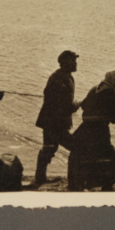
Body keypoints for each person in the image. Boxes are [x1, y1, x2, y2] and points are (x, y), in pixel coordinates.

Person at [67, 70, 115, 192]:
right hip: (99, 132)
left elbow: (83, 105)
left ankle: (76, 184)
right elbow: (114, 119)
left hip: (84, 129)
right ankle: (106, 184)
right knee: (114, 159)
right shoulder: (112, 95)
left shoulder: (94, 89)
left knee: (79, 156)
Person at [34, 50, 80, 185]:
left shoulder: (64, 76)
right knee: (75, 148)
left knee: (49, 148)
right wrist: (79, 104)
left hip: (51, 121)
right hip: (55, 123)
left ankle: (40, 178)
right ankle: (73, 179)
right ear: (66, 63)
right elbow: (66, 106)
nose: (76, 64)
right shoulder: (61, 78)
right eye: (73, 61)